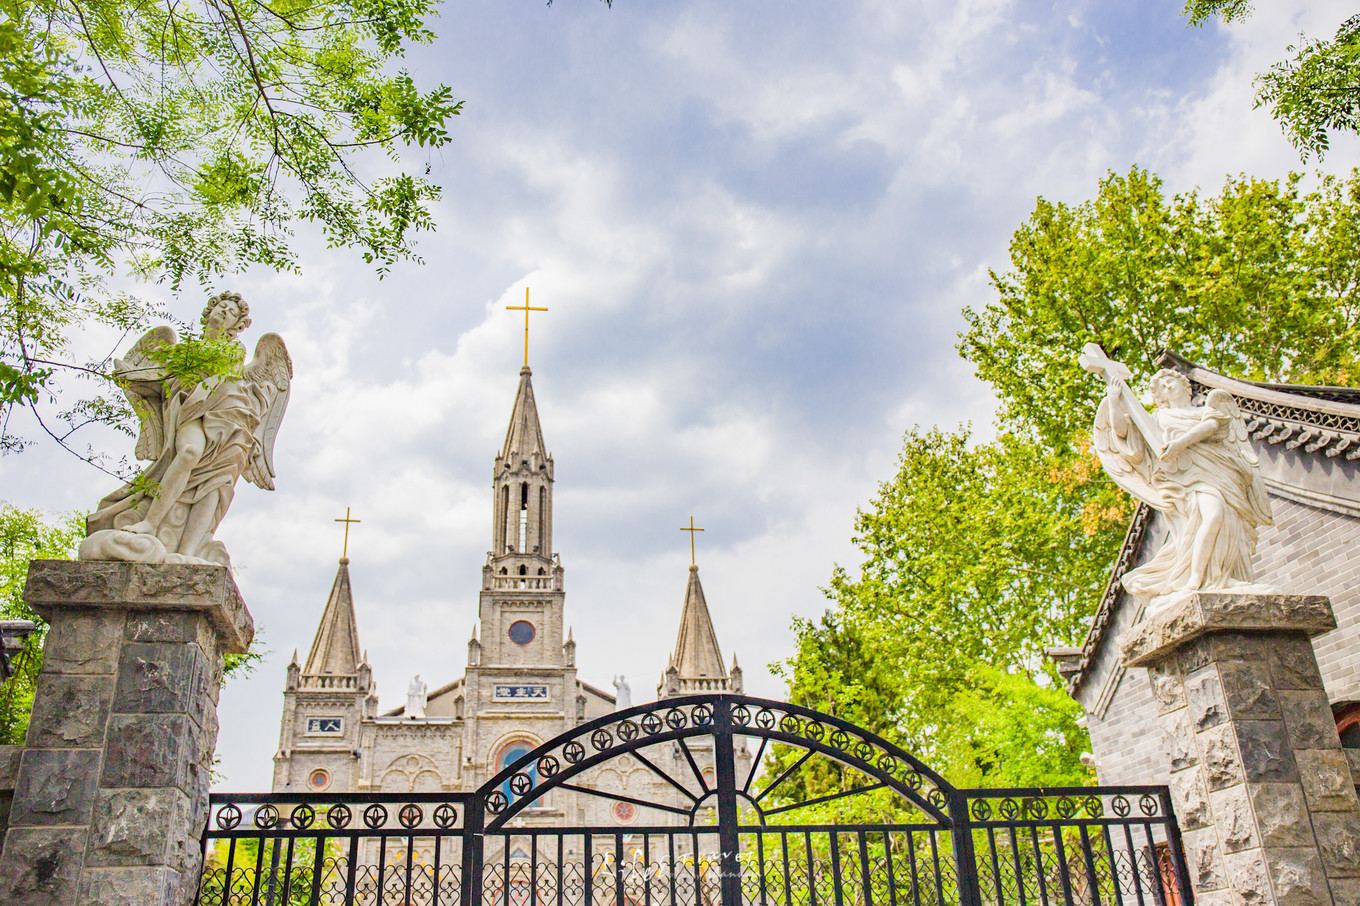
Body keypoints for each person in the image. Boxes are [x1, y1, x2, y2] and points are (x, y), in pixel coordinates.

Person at [83, 292, 291, 566]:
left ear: (236, 325)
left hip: (230, 420)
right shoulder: (183, 351)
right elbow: (163, 380)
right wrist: (134, 376)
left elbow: (229, 380)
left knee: (217, 482)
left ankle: (189, 550)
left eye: (230, 312)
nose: (224, 313)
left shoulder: (235, 353)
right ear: (209, 313)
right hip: (191, 410)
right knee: (189, 452)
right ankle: (150, 522)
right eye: (221, 307)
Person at [1091, 363, 1273, 609]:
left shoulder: (1206, 411)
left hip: (1220, 474)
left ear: (1185, 386)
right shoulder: (1158, 419)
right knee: (1213, 514)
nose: (1167, 386)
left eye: (1171, 381)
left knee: (1227, 523)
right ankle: (1196, 580)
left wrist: (1179, 444)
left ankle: (1220, 578)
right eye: (1161, 387)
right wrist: (1114, 400)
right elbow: (1124, 435)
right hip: (1187, 480)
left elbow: (1211, 427)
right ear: (1160, 398)